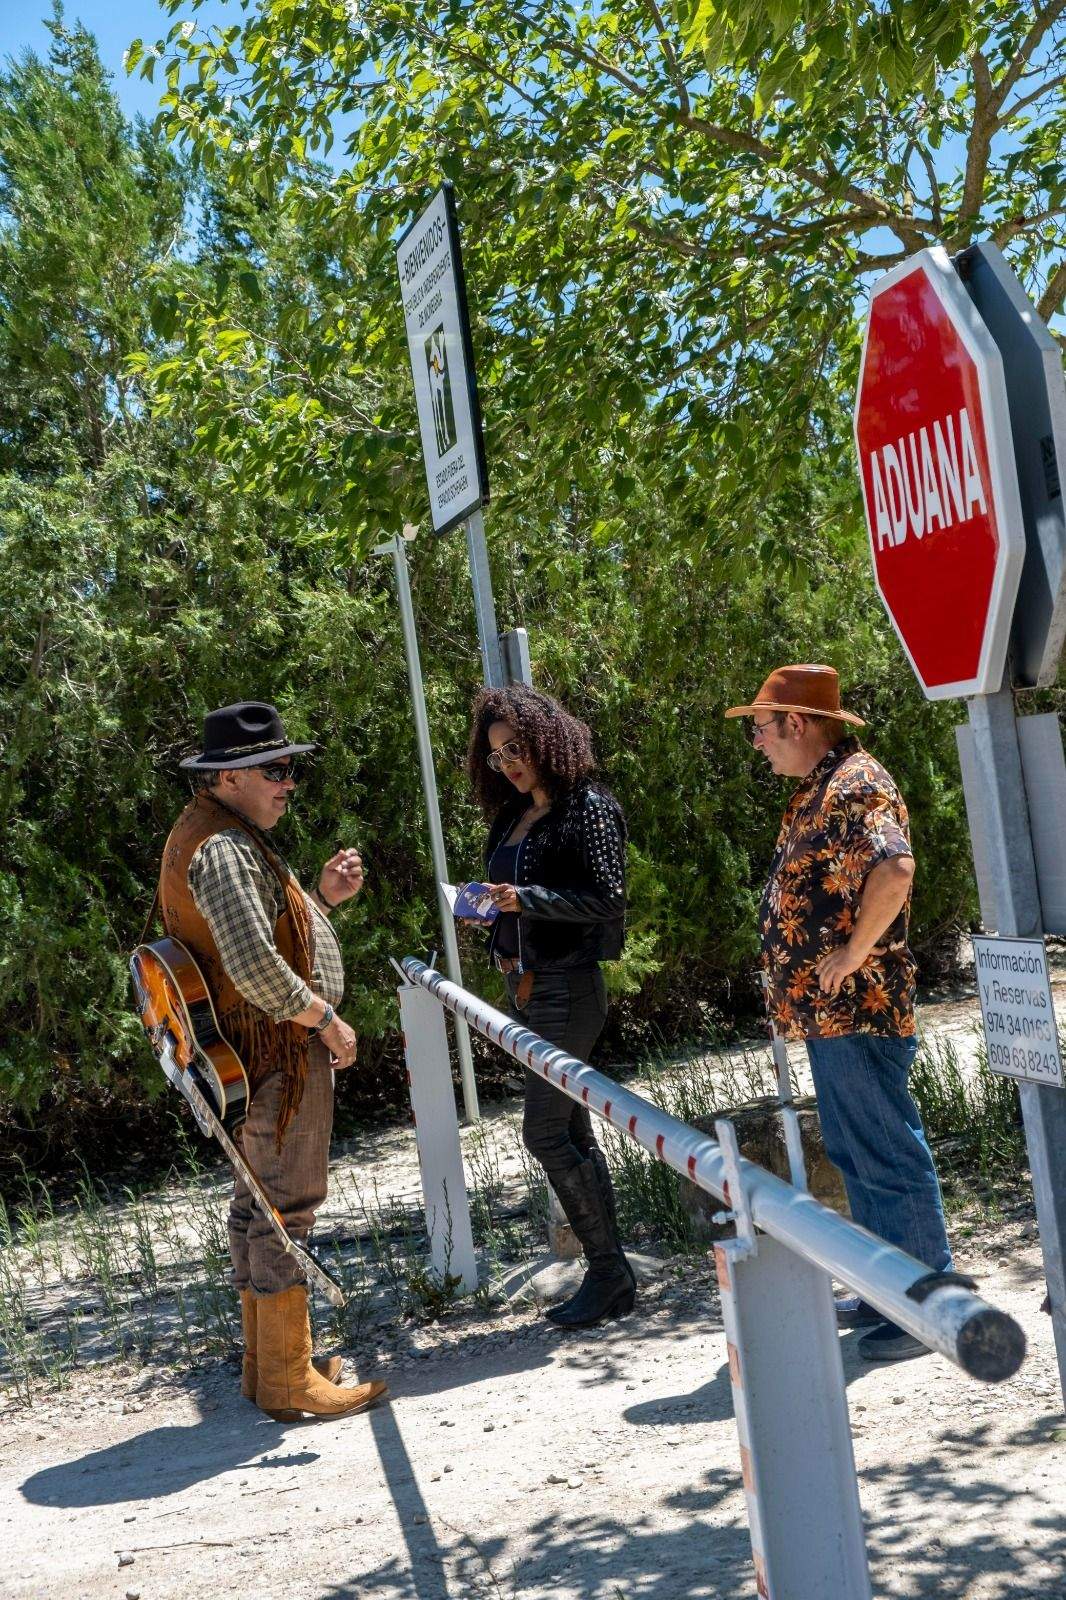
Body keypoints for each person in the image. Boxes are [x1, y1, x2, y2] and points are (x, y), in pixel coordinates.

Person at [158, 700, 389, 1419]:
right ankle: (288, 1377)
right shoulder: (223, 847)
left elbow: (259, 941)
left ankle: (270, 1367)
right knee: (286, 1207)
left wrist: (321, 897)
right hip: (274, 1055)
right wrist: (326, 1021)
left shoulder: (219, 832)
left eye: (290, 768)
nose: (289, 783)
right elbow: (256, 967)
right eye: (276, 770)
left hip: (247, 1055)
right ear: (229, 777)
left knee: (258, 1206)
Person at [726, 664, 953, 1362]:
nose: (757, 743)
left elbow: (896, 868)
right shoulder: (820, 789)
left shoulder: (856, 785)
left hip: (860, 1008)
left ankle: (925, 1302)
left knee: (883, 1148)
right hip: (833, 1017)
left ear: (797, 723)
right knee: (859, 1150)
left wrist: (855, 952)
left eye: (762, 729)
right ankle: (889, 1284)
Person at [465, 685, 634, 1329]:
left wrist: (522, 899)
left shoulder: (587, 805)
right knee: (567, 1129)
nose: (507, 761)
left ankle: (608, 1270)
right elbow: (514, 898)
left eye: (517, 747)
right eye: (496, 753)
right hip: (526, 985)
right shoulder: (512, 815)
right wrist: (485, 908)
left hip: (569, 985)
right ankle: (610, 1273)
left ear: (548, 738)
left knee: (543, 1132)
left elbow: (607, 899)